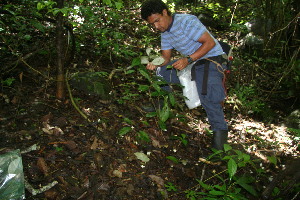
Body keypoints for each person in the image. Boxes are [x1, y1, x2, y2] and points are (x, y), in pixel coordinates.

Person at [140, 0, 228, 150]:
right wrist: (155, 63)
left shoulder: (186, 22)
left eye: (157, 21)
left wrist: (188, 60)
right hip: (193, 62)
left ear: (165, 12)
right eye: (152, 24)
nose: (156, 26)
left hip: (212, 59)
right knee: (163, 71)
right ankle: (161, 105)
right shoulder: (165, 32)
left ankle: (219, 147)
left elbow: (209, 43)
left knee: (208, 94)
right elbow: (166, 59)